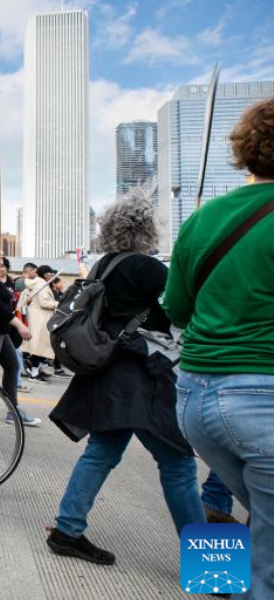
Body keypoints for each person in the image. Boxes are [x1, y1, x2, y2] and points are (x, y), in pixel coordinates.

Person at [46, 193, 204, 566]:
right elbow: (178, 312)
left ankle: (67, 530)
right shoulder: (148, 268)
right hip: (141, 377)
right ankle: (213, 568)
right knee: (179, 464)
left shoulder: (103, 264)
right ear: (146, 229)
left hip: (107, 370)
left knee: (101, 452)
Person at [168, 97, 274, 598]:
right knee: (264, 563)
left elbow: (177, 312)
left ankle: (215, 580)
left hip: (194, 398)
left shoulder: (202, 220)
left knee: (236, 504)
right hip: (261, 398)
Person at [0, 257, 40, 426]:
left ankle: (13, 411)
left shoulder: (2, 281)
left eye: (3, 265)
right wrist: (19, 325)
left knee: (12, 366)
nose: (1, 268)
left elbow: (8, 304)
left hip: (2, 331)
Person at [22, 265, 62, 377]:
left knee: (40, 347)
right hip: (41, 319)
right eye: (50, 274)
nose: (52, 276)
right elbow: (43, 302)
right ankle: (34, 372)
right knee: (39, 347)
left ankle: (37, 369)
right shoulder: (42, 285)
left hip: (40, 318)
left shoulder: (40, 284)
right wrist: (58, 304)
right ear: (45, 275)